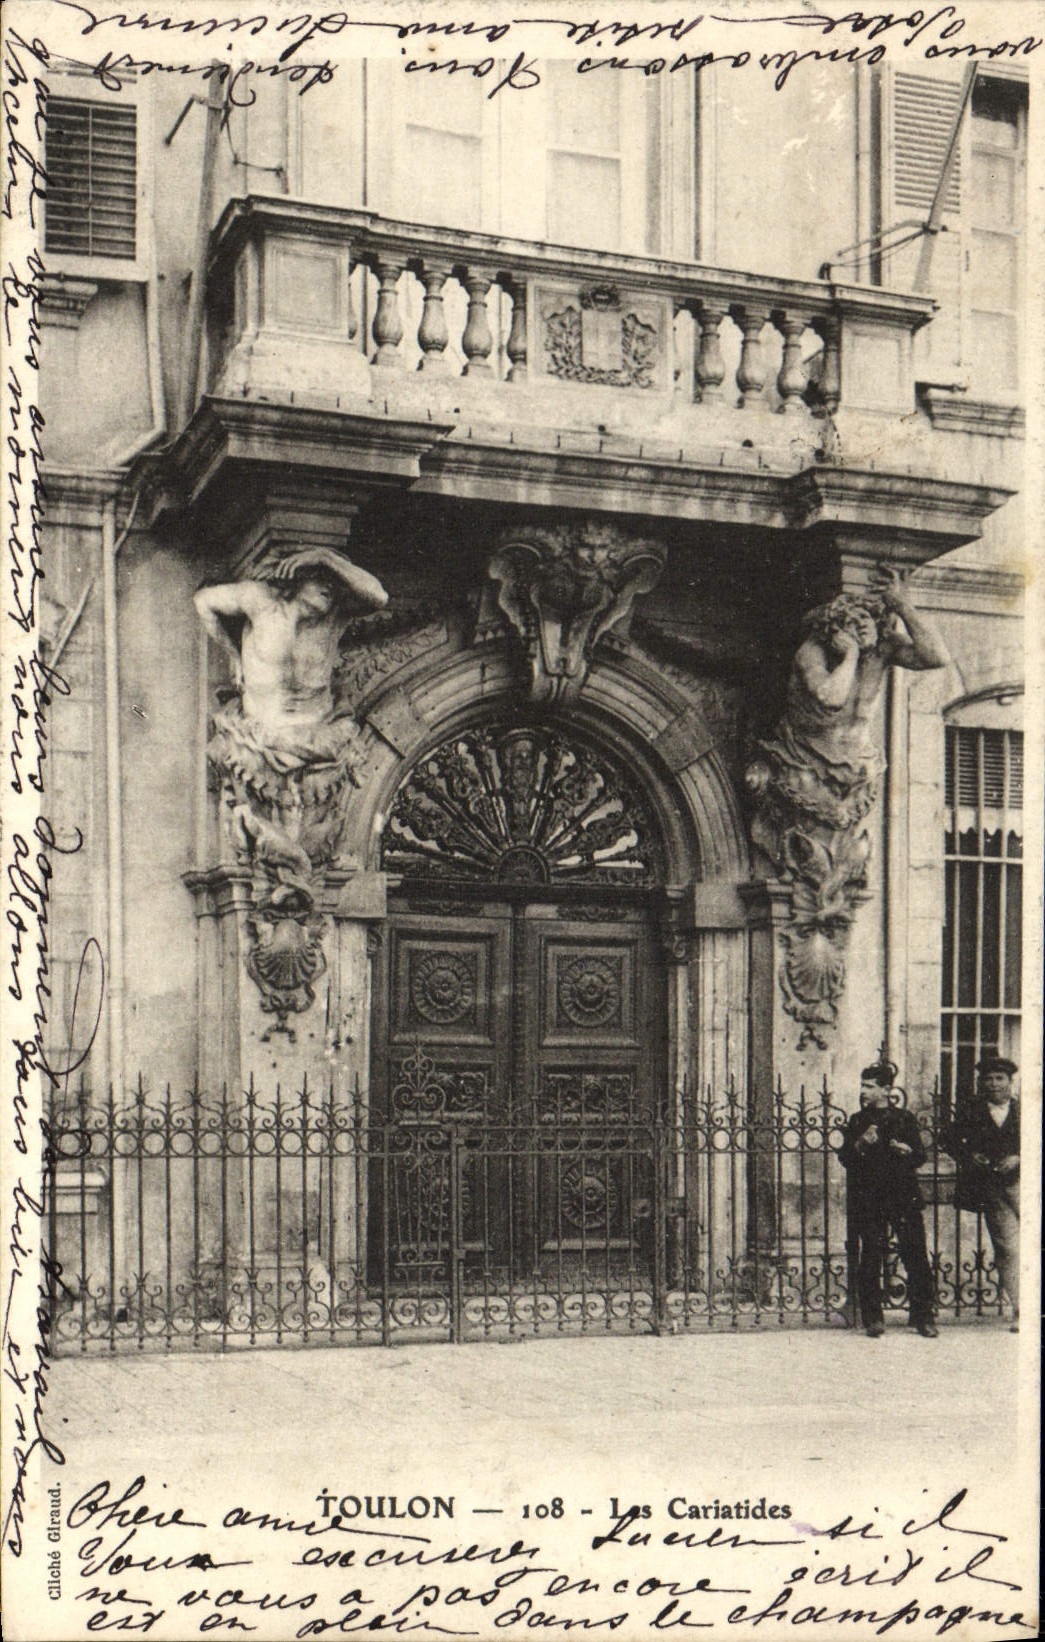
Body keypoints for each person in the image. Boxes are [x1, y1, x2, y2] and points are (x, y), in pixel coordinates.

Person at [194, 547, 388, 738]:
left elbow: (380, 597)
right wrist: (234, 655)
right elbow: (202, 600)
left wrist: (324, 557)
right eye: (320, 577)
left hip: (319, 737)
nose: (330, 587)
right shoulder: (260, 601)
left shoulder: (334, 618)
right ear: (295, 577)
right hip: (261, 736)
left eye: (334, 582)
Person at [839, 1061, 937, 1338]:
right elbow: (845, 1158)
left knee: (915, 1254)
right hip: (869, 1197)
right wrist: (860, 1144)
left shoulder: (904, 1118)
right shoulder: (858, 1121)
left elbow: (920, 1156)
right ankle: (873, 1318)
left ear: (886, 1090)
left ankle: (923, 1316)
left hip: (902, 1195)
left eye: (870, 1087)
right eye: (863, 1086)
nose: (864, 1091)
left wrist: (906, 1150)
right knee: (871, 1254)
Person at [945, 1056, 1020, 1330]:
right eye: (988, 1079)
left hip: (1027, 1184)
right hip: (992, 1187)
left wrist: (1021, 1157)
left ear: (1011, 1082)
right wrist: (969, 1155)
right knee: (1009, 1248)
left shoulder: (1027, 1108)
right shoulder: (971, 1110)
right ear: (980, 1083)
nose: (994, 1084)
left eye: (999, 1078)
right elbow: (949, 1139)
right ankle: (1021, 1310)